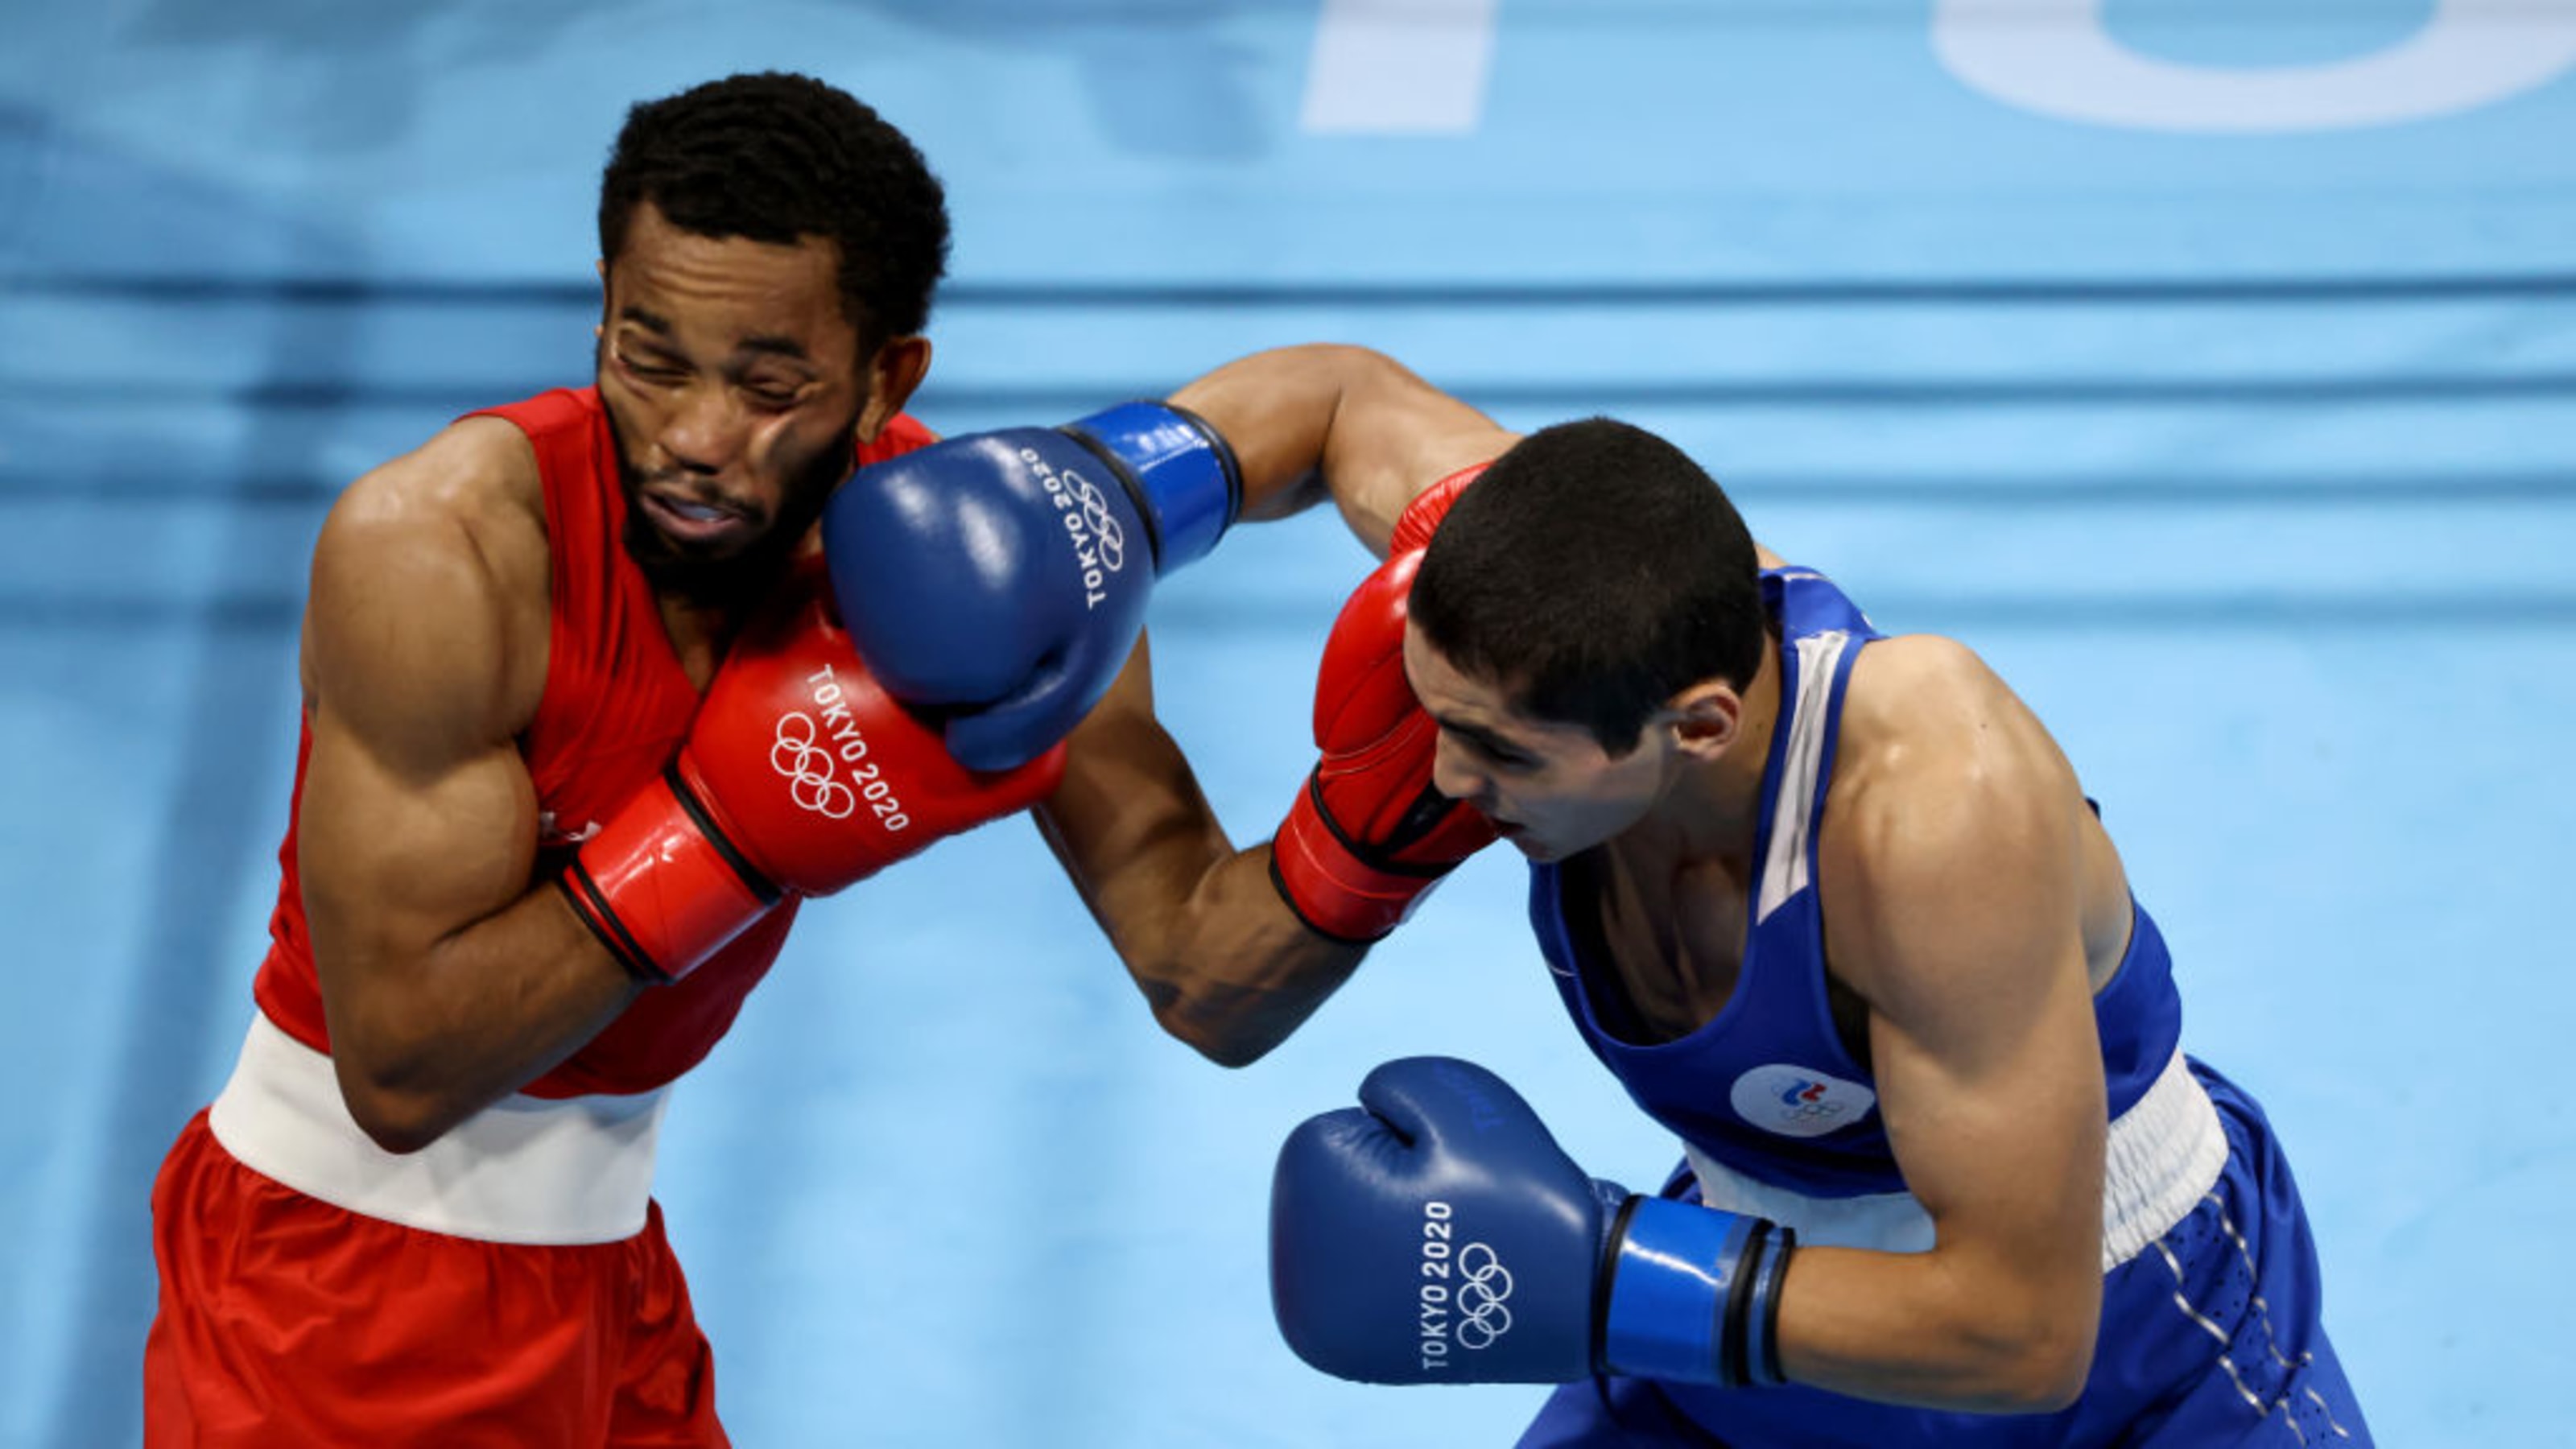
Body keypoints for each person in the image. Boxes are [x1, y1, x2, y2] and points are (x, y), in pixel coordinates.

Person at [141, 71, 1261, 1446]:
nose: (691, 438)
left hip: (609, 1272)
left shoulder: (960, 574)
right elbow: (403, 1078)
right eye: (647, 358)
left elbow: (1210, 978)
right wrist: (724, 836)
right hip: (336, 1301)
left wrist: (1400, 816)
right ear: (603, 309)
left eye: (768, 386)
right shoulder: (442, 550)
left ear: (886, 378)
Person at [1042, 345, 2373, 1446]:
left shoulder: (1928, 804)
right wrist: (1098, 500)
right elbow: (1338, 401)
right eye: (1442, 717)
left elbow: (2022, 1333)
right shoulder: (1537, 594)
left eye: (1502, 752)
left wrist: (1609, 1280)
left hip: (2125, 1340)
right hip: (1759, 1283)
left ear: (1697, 726)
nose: (1445, 775)